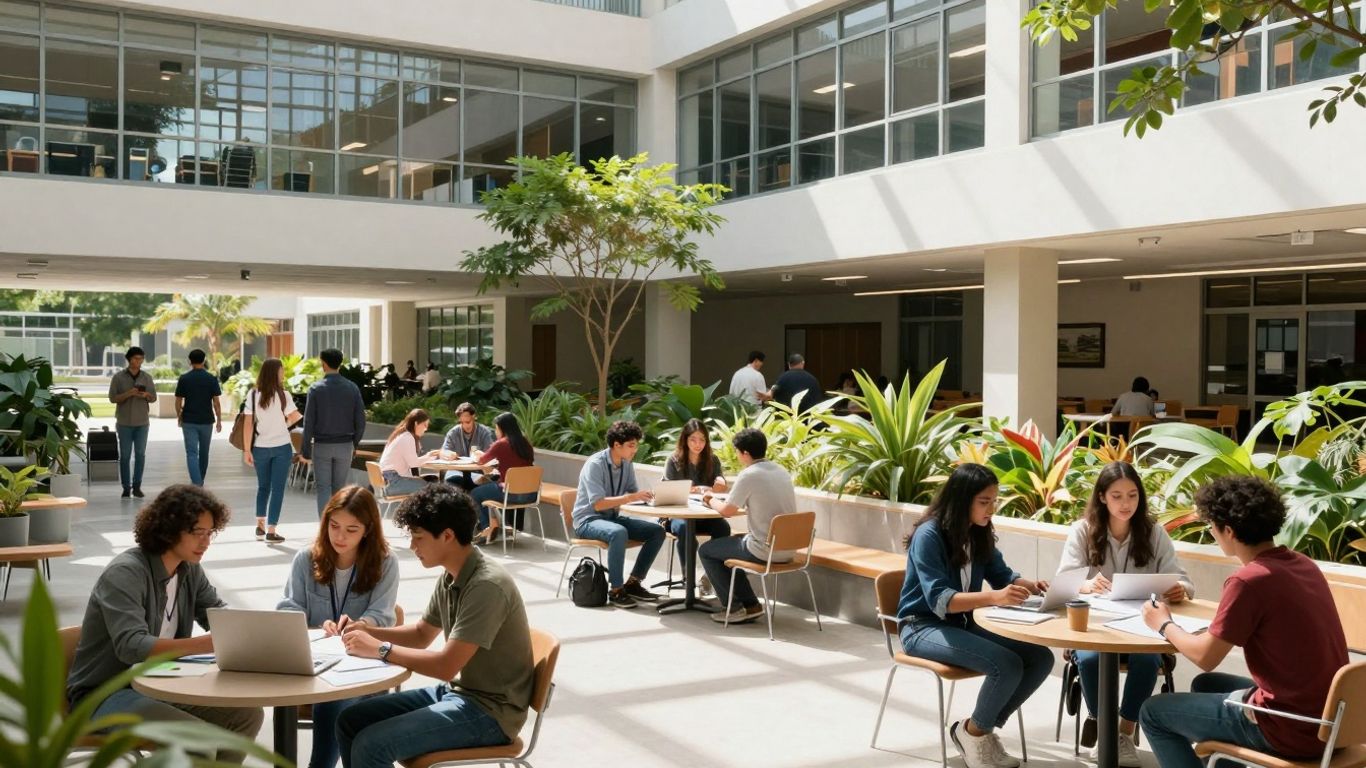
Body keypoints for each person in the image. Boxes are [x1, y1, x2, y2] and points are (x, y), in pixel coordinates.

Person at [1139, 476, 1349, 768]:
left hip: (1291, 728)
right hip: (1332, 721)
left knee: (1153, 713)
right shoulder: (1304, 565)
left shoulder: (1249, 581)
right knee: (1206, 685)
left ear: (1229, 530)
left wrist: (1163, 624)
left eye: (1211, 526)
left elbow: (1205, 655)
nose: (1212, 532)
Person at [335, 484, 535, 768]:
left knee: (372, 744)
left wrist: (380, 649)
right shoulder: (453, 575)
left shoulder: (486, 586)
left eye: (418, 537)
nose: (413, 546)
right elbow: (420, 635)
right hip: (460, 694)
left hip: (491, 714)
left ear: (448, 536)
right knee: (350, 721)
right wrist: (367, 631)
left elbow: (445, 666)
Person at [65, 485, 263, 763]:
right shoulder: (126, 573)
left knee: (245, 715)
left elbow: (217, 614)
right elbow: (131, 647)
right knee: (197, 737)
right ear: (169, 529)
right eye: (197, 533)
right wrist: (205, 644)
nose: (206, 542)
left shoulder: (188, 569)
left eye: (210, 533)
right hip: (105, 694)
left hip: (160, 683)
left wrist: (258, 632)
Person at [896, 463, 1053, 768]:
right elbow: (940, 600)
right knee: (1006, 664)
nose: (991, 509)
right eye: (984, 502)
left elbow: (1002, 575)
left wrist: (1031, 586)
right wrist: (995, 597)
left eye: (994, 501)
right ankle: (975, 735)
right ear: (961, 499)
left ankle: (977, 731)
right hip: (921, 627)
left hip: (963, 623)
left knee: (1041, 658)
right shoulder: (929, 535)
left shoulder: (979, 532)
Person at [1059, 461, 1193, 767]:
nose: (1126, 504)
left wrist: (1179, 589)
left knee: (1146, 659)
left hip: (1140, 626)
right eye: (1117, 496)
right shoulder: (1082, 531)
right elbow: (1064, 582)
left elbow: (1183, 580)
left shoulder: (1154, 532)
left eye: (1132, 495)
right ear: (1103, 497)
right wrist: (1087, 584)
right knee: (1091, 659)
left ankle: (1123, 732)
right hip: (1095, 627)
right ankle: (1104, 730)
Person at [278, 486, 399, 768]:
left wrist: (361, 625)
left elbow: (383, 615)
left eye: (351, 529)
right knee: (322, 697)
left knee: (333, 699)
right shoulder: (305, 558)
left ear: (368, 530)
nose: (340, 536)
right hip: (312, 665)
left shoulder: (385, 562)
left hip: (362, 670)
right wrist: (318, 628)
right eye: (334, 526)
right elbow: (287, 609)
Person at [698, 428, 793, 625]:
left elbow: (727, 511)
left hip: (764, 550)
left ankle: (735, 607)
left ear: (745, 454)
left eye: (737, 451)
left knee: (707, 550)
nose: (737, 455)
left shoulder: (749, 474)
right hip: (788, 547)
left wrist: (709, 499)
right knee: (732, 545)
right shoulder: (781, 471)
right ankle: (750, 605)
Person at [571, 421, 666, 609]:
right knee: (618, 532)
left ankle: (633, 582)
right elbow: (597, 504)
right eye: (631, 445)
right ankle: (616, 590)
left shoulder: (627, 465)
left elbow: (631, 495)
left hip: (611, 519)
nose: (635, 450)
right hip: (587, 520)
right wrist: (630, 497)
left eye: (636, 445)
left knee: (657, 531)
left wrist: (648, 497)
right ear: (616, 445)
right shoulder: (595, 465)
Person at [663, 419, 730, 589]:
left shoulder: (712, 460)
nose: (697, 444)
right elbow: (670, 490)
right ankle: (688, 577)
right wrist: (696, 490)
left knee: (723, 528)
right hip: (678, 514)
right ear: (685, 440)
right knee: (685, 529)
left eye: (702, 440)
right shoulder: (674, 460)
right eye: (693, 439)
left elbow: (719, 483)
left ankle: (711, 576)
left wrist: (721, 481)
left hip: (703, 514)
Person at [242, 358, 302, 543]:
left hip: (260, 448)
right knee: (278, 489)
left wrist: (246, 450)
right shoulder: (284, 395)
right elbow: (296, 417)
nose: (283, 373)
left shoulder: (253, 395)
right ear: (276, 372)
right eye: (282, 370)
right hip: (282, 447)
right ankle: (272, 530)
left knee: (263, 487)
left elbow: (248, 425)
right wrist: (283, 424)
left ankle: (260, 524)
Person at [302, 348, 367, 514]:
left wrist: (306, 450)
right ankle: (337, 524)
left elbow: (308, 422)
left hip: (322, 445)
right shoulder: (352, 388)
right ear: (340, 363)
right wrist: (355, 443)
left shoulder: (316, 389)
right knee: (339, 489)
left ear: (323, 364)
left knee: (323, 488)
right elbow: (360, 420)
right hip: (345, 445)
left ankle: (324, 526)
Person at [469, 412, 537, 544]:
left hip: (510, 494)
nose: (495, 431)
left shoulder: (501, 444)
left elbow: (481, 461)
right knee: (490, 488)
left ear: (502, 428)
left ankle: (488, 527)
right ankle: (496, 524)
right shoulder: (526, 443)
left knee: (475, 493)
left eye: (496, 428)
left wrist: (476, 453)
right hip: (530, 495)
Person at [108, 346, 157, 499]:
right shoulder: (118, 377)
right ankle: (126, 487)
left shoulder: (146, 377)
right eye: (136, 358)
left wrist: (146, 395)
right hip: (124, 423)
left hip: (142, 422)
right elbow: (112, 398)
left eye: (141, 359)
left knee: (141, 455)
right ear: (129, 359)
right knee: (125, 456)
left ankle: (137, 486)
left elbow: (153, 397)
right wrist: (129, 394)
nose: (139, 361)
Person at [174, 348, 223, 487]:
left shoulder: (184, 379)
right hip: (207, 421)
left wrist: (179, 415)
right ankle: (199, 479)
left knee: (191, 452)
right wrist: (219, 420)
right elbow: (216, 402)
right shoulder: (211, 379)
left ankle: (197, 482)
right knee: (204, 452)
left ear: (190, 361)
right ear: (204, 360)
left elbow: (178, 401)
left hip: (189, 420)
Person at [379, 408, 442, 496]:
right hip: (393, 481)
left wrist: (428, 456)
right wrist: (431, 457)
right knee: (431, 488)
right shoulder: (407, 438)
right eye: (424, 425)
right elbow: (414, 463)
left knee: (432, 481)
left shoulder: (402, 434)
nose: (426, 429)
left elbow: (412, 462)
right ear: (416, 423)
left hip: (389, 479)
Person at [440, 403, 495, 490]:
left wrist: (482, 455)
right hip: (456, 470)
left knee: (482, 483)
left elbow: (491, 455)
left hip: (478, 472)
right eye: (462, 422)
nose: (465, 425)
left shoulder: (484, 432)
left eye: (468, 422)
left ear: (474, 417)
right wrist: (447, 454)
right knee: (453, 482)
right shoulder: (453, 432)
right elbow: (443, 451)